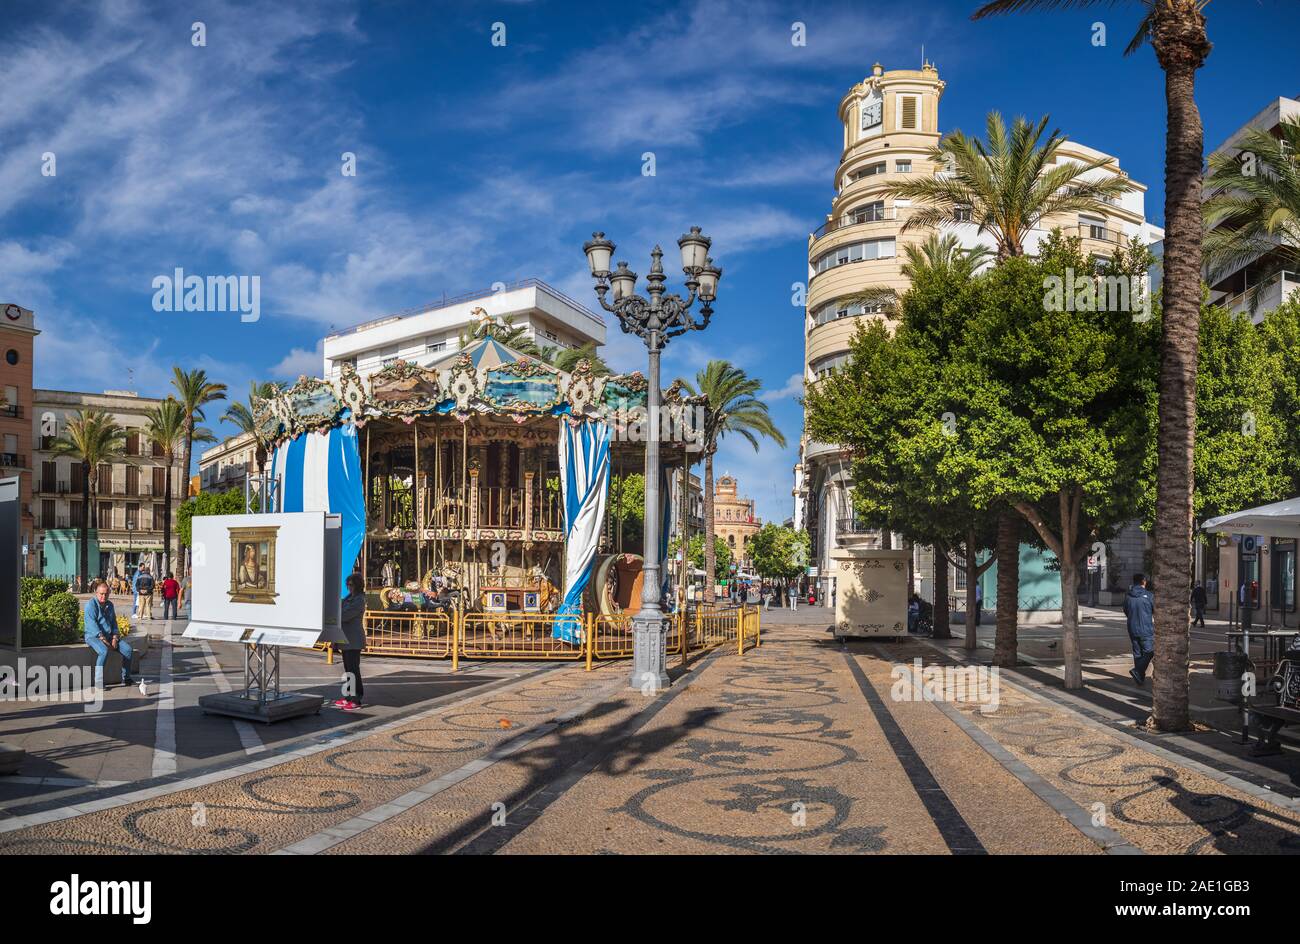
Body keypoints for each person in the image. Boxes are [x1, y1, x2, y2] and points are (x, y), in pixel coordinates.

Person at [84, 580, 135, 689]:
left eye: (106, 593)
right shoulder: (90, 605)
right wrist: (103, 639)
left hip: (109, 636)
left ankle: (126, 677)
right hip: (93, 636)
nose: (104, 596)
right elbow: (91, 624)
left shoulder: (109, 605)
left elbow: (114, 622)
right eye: (101, 594)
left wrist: (115, 637)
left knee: (128, 650)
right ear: (96, 593)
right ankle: (98, 681)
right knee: (103, 651)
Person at [336, 573, 367, 711]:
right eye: (347, 585)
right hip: (346, 638)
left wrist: (337, 612)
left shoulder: (359, 600)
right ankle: (348, 696)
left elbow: (345, 615)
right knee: (348, 669)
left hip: (353, 639)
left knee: (354, 669)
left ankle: (356, 699)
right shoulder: (349, 598)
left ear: (357, 585)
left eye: (351, 585)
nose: (348, 587)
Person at [1123, 572, 1155, 687]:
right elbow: (1155, 610)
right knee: (1150, 651)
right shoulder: (1149, 595)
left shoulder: (1128, 596)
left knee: (1137, 652)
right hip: (1146, 628)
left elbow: (1126, 610)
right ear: (1144, 582)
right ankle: (1138, 671)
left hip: (1132, 627)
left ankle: (1139, 677)